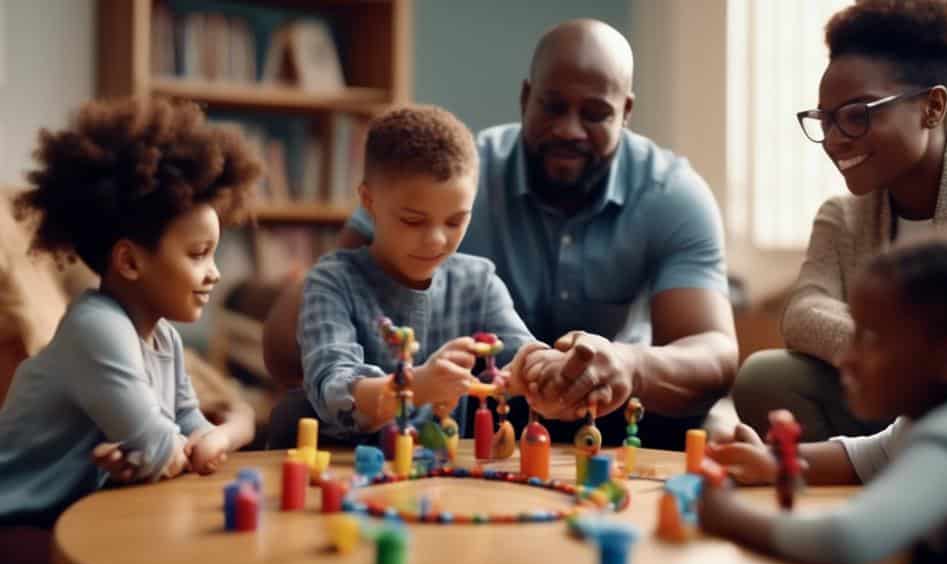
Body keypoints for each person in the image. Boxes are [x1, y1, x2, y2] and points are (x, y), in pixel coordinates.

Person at [272, 18, 737, 450]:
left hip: (594, 401)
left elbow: (713, 353)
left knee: (697, 423)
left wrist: (621, 365)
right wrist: (404, 379)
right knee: (298, 411)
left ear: (626, 111)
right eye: (552, 106)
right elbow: (319, 321)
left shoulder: (671, 194)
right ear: (525, 98)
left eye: (595, 113)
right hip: (437, 403)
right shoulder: (448, 178)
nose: (569, 129)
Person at [0, 98, 259, 564]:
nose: (215, 273)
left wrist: (218, 432)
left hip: (75, 515)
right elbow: (169, 451)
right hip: (19, 527)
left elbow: (191, 436)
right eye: (199, 253)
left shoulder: (164, 339)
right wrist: (238, 423)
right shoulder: (96, 328)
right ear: (130, 262)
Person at [731, 0, 947, 441]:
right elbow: (804, 312)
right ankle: (883, 467)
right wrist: (898, 358)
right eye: (826, 119)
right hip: (890, 405)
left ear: (932, 107)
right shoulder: (841, 216)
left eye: (858, 115)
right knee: (766, 378)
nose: (835, 139)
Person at [701, 222, 947, 564]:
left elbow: (844, 539)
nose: (846, 357)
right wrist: (771, 461)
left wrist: (726, 514)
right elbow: (873, 454)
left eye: (871, 338)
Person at [297, 105, 554, 442]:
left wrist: (543, 368)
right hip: (351, 473)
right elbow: (332, 390)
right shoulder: (332, 281)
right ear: (368, 201)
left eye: (455, 220)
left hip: (445, 474)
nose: (436, 240)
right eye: (413, 220)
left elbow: (524, 353)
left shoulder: (480, 283)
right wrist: (417, 385)